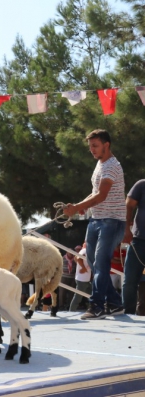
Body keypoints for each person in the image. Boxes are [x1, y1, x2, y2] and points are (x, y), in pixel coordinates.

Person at [62, 129, 126, 320]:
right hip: (96, 219)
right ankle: (114, 303)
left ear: (107, 145)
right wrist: (80, 206)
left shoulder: (112, 166)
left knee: (101, 263)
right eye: (90, 146)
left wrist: (78, 207)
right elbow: (94, 192)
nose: (92, 150)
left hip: (112, 221)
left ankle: (97, 306)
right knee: (93, 262)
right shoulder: (100, 164)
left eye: (95, 146)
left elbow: (102, 195)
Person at [122, 179, 145, 314]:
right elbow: (128, 205)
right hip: (139, 241)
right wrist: (126, 229)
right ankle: (127, 313)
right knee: (130, 280)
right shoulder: (142, 184)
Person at [70, 244, 92, 311]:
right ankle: (71, 311)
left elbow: (75, 258)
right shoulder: (84, 250)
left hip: (85, 279)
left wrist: (82, 267)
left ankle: (92, 309)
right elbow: (78, 258)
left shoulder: (85, 251)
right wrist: (83, 267)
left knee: (91, 295)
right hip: (82, 279)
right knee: (78, 298)